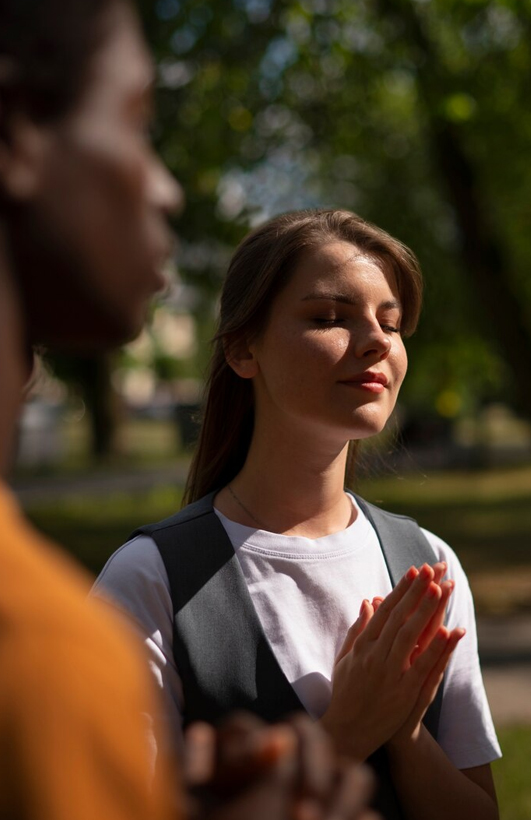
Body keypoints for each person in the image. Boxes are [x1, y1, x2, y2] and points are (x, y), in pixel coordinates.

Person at [0, 1, 376, 818]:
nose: (167, 189)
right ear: (15, 135)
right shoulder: (54, 645)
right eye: (135, 120)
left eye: (392, 320)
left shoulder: (423, 559)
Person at [93, 209, 503, 820]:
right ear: (242, 349)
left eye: (390, 323)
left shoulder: (429, 565)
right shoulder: (150, 581)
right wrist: (347, 733)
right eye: (329, 318)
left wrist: (405, 735)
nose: (375, 341)